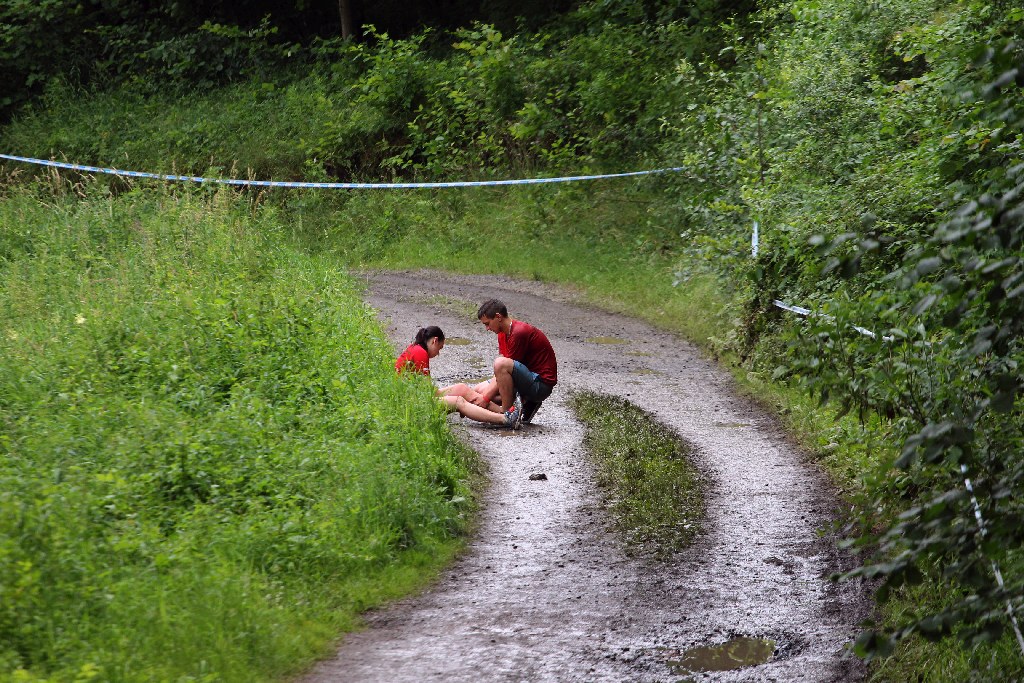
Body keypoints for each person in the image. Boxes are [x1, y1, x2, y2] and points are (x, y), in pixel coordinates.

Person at [396, 326, 521, 428]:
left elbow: (426, 390)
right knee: (458, 401)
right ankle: (504, 419)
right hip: (412, 404)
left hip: (416, 397)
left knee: (461, 388)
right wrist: (457, 401)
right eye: (439, 348)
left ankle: (503, 411)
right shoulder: (420, 353)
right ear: (435, 341)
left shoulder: (415, 349)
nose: (438, 353)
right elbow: (428, 392)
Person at [475, 299, 557, 427]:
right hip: (527, 378)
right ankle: (524, 404)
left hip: (541, 385)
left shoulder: (518, 332)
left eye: (487, 323)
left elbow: (503, 366)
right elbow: (501, 375)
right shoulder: (502, 333)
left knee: (498, 368)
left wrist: (485, 399)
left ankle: (508, 414)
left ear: (498, 317)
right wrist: (484, 395)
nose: (487, 328)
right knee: (478, 390)